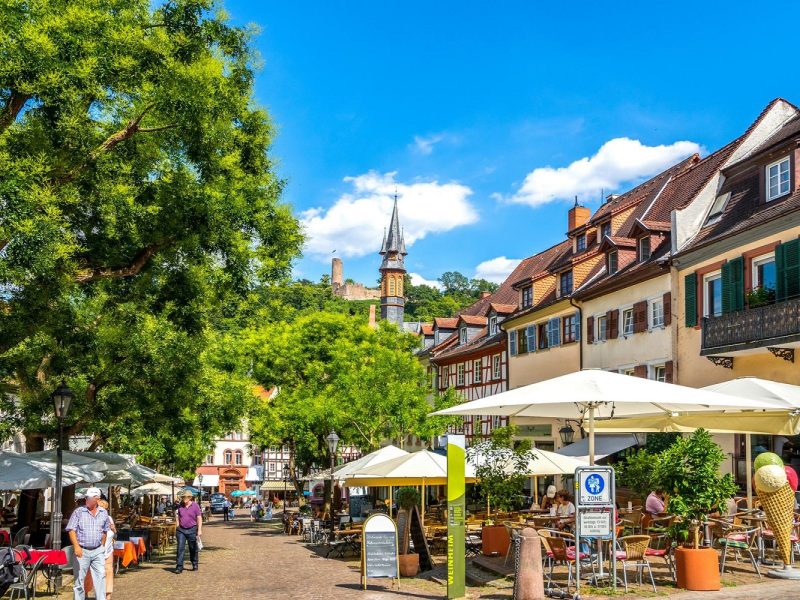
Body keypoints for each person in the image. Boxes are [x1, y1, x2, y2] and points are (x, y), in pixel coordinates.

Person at [66, 487, 109, 600]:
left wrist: (102, 546)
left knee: (100, 577)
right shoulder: (79, 512)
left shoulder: (104, 512)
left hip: (98, 550)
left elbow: (105, 530)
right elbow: (71, 530)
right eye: (86, 498)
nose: (86, 500)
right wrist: (76, 547)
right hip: (82, 550)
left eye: (88, 498)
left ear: (97, 499)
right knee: (79, 580)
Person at [175, 491, 203, 574]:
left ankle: (194, 563)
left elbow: (199, 518)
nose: (184, 499)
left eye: (186, 497)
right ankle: (179, 567)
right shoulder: (179, 506)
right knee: (180, 548)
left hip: (192, 529)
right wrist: (177, 526)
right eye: (183, 497)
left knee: (193, 548)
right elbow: (177, 516)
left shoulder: (195, 506)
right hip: (181, 530)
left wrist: (199, 529)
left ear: (190, 497)